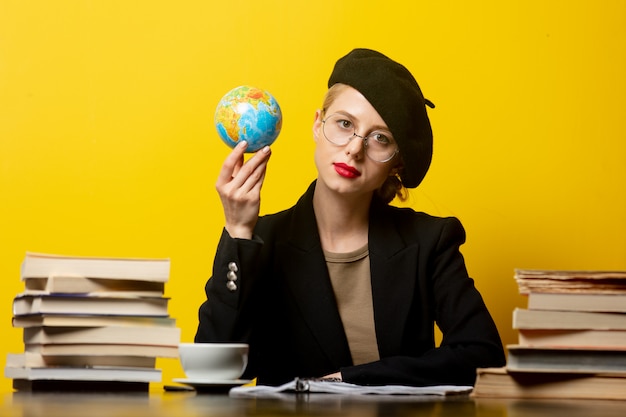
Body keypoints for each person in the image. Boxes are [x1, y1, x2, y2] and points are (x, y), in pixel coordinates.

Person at [195, 48, 505, 387]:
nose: (355, 149)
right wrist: (238, 232)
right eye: (345, 124)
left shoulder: (430, 240)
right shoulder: (262, 240)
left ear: (396, 163)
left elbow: (482, 354)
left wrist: (354, 379)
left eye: (380, 138)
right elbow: (214, 372)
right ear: (317, 124)